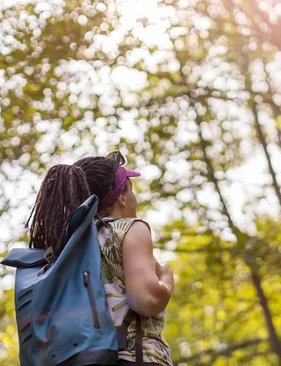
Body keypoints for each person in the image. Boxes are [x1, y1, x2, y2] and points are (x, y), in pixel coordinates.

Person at [26, 152, 174, 366]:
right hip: (132, 357)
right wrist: (166, 277)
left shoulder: (64, 246)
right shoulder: (129, 229)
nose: (134, 199)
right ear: (122, 197)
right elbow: (146, 300)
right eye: (131, 191)